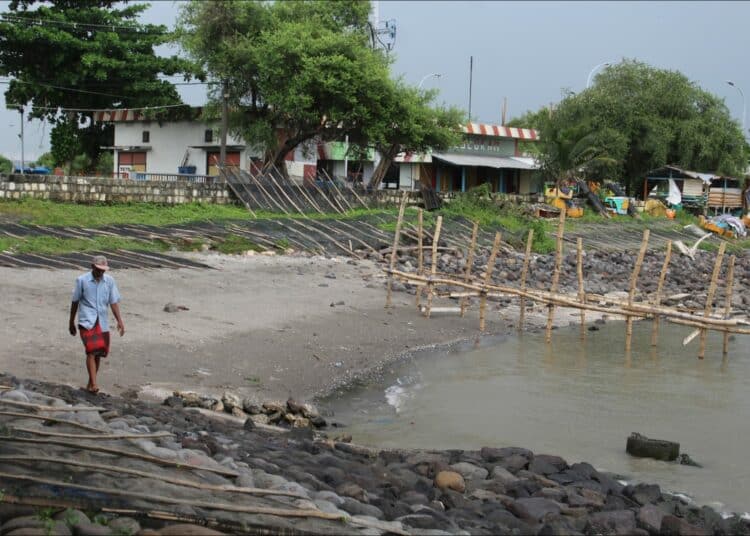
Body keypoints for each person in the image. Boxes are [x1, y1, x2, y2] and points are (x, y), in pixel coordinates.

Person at [69, 255, 125, 393]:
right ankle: (94, 384)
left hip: (102, 321)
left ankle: (90, 384)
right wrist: (71, 322)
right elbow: (75, 302)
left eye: (103, 270)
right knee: (91, 351)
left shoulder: (109, 281)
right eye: (99, 269)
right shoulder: (82, 280)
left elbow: (113, 302)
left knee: (99, 352)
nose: (101, 272)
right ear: (92, 266)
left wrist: (120, 321)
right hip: (87, 321)